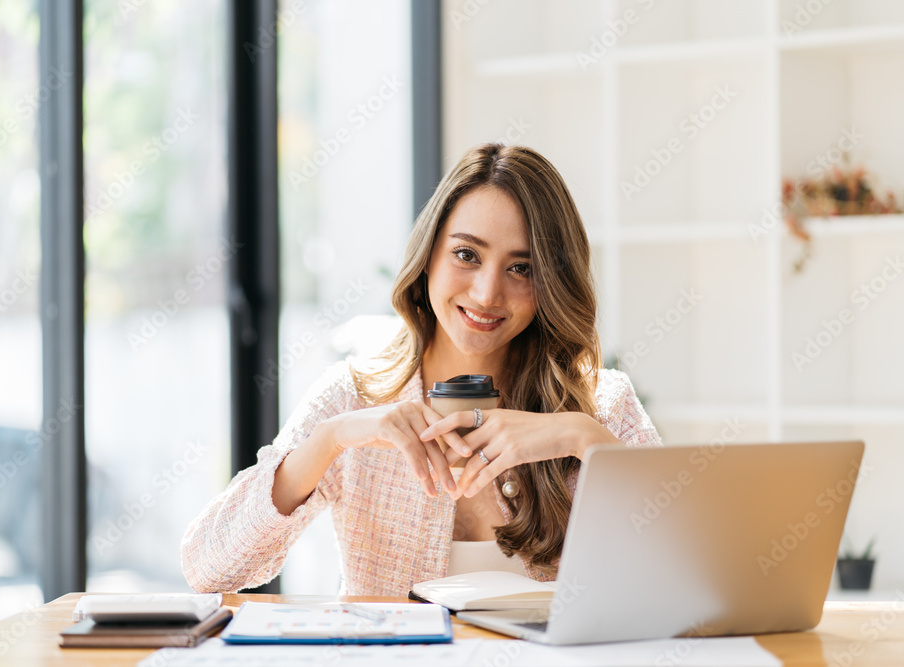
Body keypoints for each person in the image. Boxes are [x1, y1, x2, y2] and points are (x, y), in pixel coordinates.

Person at [181, 143, 661, 596]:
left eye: (522, 268)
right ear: (428, 255)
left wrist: (585, 438)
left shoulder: (600, 406)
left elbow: (694, 583)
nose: (486, 293)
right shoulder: (354, 399)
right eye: (466, 254)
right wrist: (330, 439)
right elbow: (209, 567)